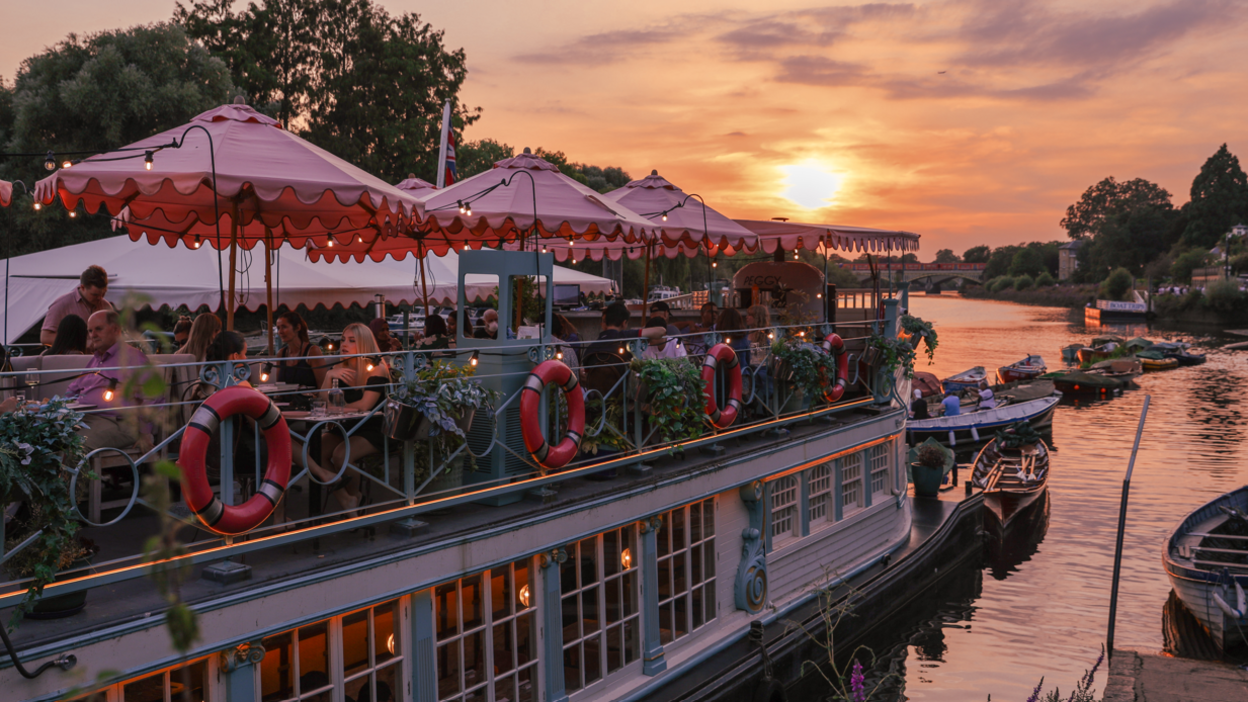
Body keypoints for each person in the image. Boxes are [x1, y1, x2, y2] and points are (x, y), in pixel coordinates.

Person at [306, 323, 391, 514]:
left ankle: (357, 497)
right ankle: (347, 500)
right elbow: (323, 402)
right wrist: (329, 374)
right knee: (314, 451)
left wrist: (337, 407)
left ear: (364, 344)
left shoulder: (376, 368)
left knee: (341, 455)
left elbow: (365, 406)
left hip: (373, 427)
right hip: (346, 425)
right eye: (343, 339)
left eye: (352, 341)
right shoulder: (338, 367)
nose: (344, 344)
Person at [66, 310, 149, 450]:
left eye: (98, 329)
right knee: (44, 440)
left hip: (118, 422)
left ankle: (73, 472)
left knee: (75, 448)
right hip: (84, 419)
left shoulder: (134, 358)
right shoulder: (95, 360)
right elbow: (72, 390)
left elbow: (152, 397)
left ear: (116, 329)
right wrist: (56, 410)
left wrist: (145, 433)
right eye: (90, 331)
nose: (93, 335)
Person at [41, 265, 112, 347]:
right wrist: (80, 343)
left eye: (103, 294)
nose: (100, 298)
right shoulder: (62, 304)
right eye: (95, 295)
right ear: (82, 287)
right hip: (70, 358)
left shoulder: (106, 306)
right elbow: (45, 338)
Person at [585, 302, 666, 359]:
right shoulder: (626, 335)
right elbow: (661, 331)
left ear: (605, 322)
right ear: (624, 323)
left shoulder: (591, 348)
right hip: (620, 382)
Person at [273, 311, 327, 388]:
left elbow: (323, 387)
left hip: (308, 399)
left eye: (284, 327)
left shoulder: (312, 351)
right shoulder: (281, 354)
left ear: (298, 327)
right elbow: (279, 386)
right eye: (278, 328)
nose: (280, 332)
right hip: (284, 400)